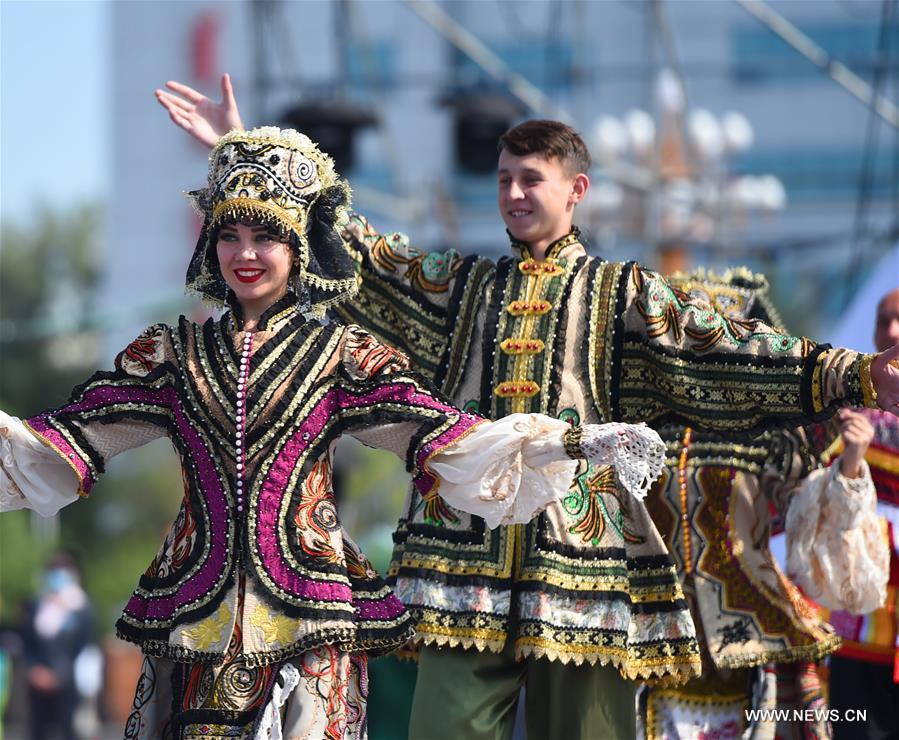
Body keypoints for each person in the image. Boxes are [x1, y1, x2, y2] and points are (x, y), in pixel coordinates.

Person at [157, 77, 899, 740]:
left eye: (530, 179)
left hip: (581, 559)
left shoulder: (623, 296)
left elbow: (730, 348)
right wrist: (243, 148)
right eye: (505, 178)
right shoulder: (461, 287)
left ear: (576, 190)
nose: (513, 193)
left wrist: (859, 374)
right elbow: (358, 251)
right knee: (442, 725)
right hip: (465, 556)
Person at [0, 126, 669, 739]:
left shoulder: (343, 355)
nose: (246, 254)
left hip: (311, 608)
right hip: (196, 608)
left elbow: (437, 435)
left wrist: (569, 442)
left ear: (296, 249)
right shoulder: (172, 354)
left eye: (265, 238)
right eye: (229, 237)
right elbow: (72, 437)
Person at [639, 269, 886, 740]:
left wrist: (851, 463)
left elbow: (808, 513)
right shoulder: (636, 422)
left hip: (751, 630)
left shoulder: (767, 427)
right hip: (651, 631)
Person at [818, 288, 899, 740]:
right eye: (882, 321)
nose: (890, 330)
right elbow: (822, 515)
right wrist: (852, 458)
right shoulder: (850, 413)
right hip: (863, 634)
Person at [21, 551, 94, 740]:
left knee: (66, 730)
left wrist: (59, 675)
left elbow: (82, 647)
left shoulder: (81, 607)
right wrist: (34, 669)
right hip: (37, 680)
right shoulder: (36, 604)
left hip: (66, 682)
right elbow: (27, 641)